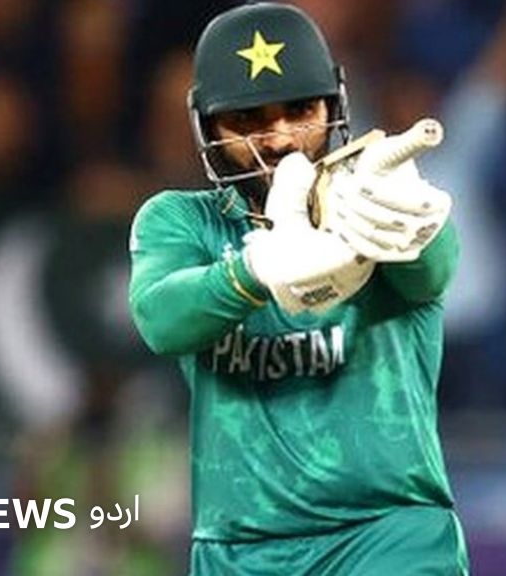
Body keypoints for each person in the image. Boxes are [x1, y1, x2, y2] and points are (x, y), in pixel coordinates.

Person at [127, 3, 465, 574]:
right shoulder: (182, 222)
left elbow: (432, 274)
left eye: (300, 110)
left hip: (388, 536)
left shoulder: (380, 197)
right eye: (249, 119)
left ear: (333, 105)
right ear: (208, 126)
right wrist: (254, 269)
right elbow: (160, 320)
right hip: (239, 550)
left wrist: (411, 226)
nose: (281, 138)